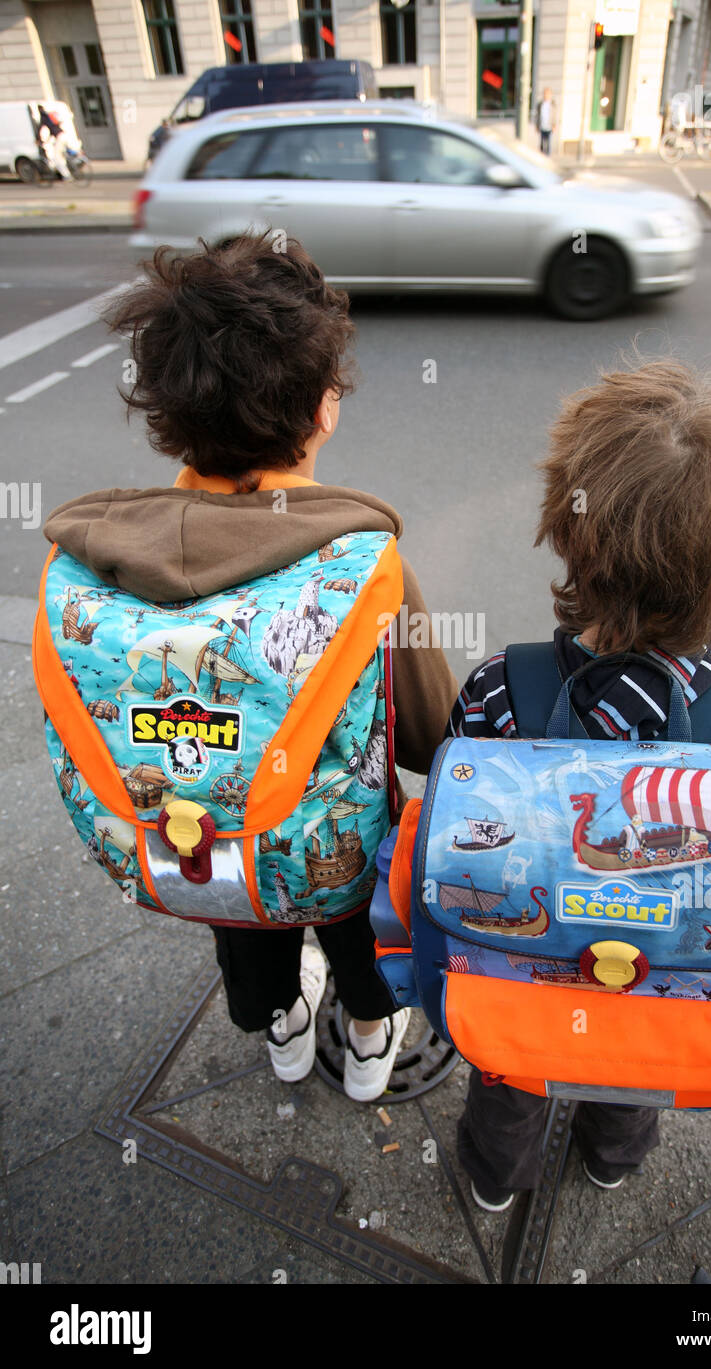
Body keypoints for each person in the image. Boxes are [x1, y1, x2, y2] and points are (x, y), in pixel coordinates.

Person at [42, 232, 459, 1101]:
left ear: (166, 421)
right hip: (332, 855)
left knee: (242, 917)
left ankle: (282, 1028)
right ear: (324, 408)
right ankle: (371, 1033)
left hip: (192, 845)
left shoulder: (96, 564)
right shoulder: (367, 570)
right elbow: (428, 738)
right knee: (349, 907)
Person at [446, 358, 711, 1211]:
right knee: (630, 1075)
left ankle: (494, 1177)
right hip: (670, 997)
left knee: (510, 1078)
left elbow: (456, 836)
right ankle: (611, 1159)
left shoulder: (496, 689)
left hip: (521, 985)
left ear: (565, 529)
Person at [37, 104, 70, 179]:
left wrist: (38, 140)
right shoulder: (49, 115)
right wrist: (48, 139)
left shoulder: (43, 117)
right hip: (63, 135)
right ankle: (69, 164)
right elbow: (53, 130)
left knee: (56, 157)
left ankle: (66, 175)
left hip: (59, 137)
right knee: (61, 154)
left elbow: (40, 128)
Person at [536, 87, 556, 156]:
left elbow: (554, 116)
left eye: (547, 94)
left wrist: (554, 125)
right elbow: (538, 116)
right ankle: (542, 156)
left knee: (548, 143)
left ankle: (547, 156)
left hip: (549, 126)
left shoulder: (552, 104)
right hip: (542, 126)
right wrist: (537, 125)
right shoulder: (541, 104)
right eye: (545, 94)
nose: (546, 96)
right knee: (542, 143)